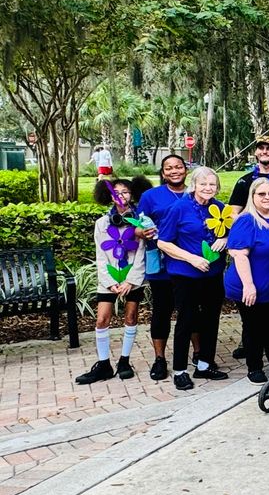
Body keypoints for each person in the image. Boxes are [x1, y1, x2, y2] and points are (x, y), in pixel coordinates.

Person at [156, 166, 231, 390]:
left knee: (211, 319)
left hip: (213, 273)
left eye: (212, 184)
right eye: (203, 184)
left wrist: (225, 237)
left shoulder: (220, 208)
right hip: (186, 274)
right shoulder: (178, 208)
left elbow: (229, 228)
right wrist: (191, 259)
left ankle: (204, 364)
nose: (208, 188)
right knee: (186, 321)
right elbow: (163, 242)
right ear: (194, 185)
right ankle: (180, 370)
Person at [76, 177, 153, 384]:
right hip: (109, 279)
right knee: (102, 319)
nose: (121, 196)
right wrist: (109, 281)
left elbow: (142, 254)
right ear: (109, 196)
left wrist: (131, 280)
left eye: (125, 192)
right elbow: (101, 255)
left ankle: (124, 361)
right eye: (116, 192)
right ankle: (103, 364)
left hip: (132, 279)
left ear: (132, 194)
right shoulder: (102, 223)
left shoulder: (141, 221)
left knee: (131, 316)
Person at [225, 177, 269, 385]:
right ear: (252, 196)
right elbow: (240, 255)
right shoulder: (246, 220)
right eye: (261, 194)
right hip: (248, 282)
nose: (267, 198)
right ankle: (255, 366)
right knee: (253, 326)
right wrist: (249, 285)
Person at [137, 155, 193, 381]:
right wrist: (143, 232)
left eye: (178, 167)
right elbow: (138, 229)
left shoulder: (196, 192)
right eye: (168, 168)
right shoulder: (150, 197)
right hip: (160, 263)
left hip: (189, 261)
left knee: (191, 310)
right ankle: (160, 359)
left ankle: (199, 354)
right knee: (161, 311)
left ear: (186, 170)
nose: (174, 171)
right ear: (162, 173)